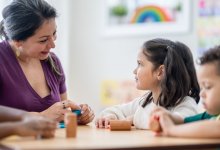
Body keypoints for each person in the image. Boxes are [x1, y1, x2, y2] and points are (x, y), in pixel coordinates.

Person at [0, 0, 94, 124]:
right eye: (43, 40)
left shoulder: (52, 62)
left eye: (54, 34)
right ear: (18, 40)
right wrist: (42, 116)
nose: (53, 45)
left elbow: (62, 112)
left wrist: (75, 115)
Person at [96, 38, 200, 129]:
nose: (134, 71)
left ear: (160, 72)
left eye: (140, 64)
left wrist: (133, 119)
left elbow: (175, 122)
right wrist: (110, 116)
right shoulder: (146, 101)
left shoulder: (185, 103)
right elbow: (116, 110)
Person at [149, 46, 220, 138]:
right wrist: (169, 116)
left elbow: (216, 128)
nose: (201, 94)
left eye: (207, 87)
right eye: (201, 88)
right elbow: (185, 121)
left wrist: (171, 130)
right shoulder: (213, 115)